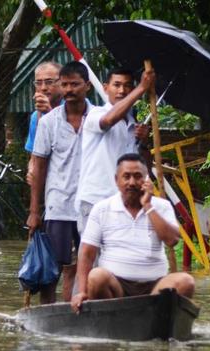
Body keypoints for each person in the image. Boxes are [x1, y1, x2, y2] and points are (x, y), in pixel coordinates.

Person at [71, 153, 195, 313]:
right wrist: (82, 292)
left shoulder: (161, 206)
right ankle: (113, 320)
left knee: (186, 282)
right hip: (116, 288)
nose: (132, 182)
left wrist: (148, 206)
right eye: (126, 177)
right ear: (117, 180)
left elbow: (172, 240)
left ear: (147, 180)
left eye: (138, 177)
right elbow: (87, 254)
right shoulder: (102, 208)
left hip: (155, 287)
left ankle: (156, 320)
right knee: (96, 277)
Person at [26, 61, 93, 304]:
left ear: (87, 86)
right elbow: (38, 167)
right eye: (65, 85)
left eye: (74, 84)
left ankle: (74, 312)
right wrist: (35, 212)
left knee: (82, 268)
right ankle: (47, 314)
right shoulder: (47, 121)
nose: (69, 90)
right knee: (51, 268)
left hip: (89, 206)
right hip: (58, 205)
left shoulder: (98, 119)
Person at [74, 68, 152, 234]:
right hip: (95, 201)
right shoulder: (96, 114)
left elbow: (145, 168)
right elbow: (109, 120)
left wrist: (144, 141)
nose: (122, 90)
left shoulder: (134, 125)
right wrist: (142, 88)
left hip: (124, 203)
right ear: (105, 87)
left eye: (128, 86)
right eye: (117, 85)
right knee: (92, 258)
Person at [25, 61, 64, 185]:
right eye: (38, 83)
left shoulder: (74, 107)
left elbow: (70, 142)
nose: (43, 88)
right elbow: (34, 154)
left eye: (49, 82)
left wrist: (50, 113)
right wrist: (31, 169)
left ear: (62, 82)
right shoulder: (35, 117)